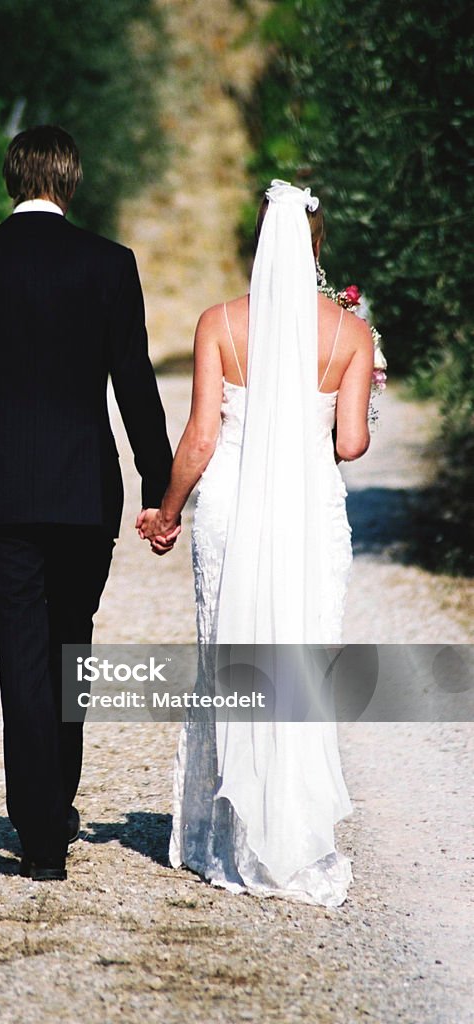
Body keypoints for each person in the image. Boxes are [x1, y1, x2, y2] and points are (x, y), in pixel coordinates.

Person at [0, 125, 174, 882]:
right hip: (80, 493)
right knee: (71, 653)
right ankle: (53, 808)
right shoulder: (108, 264)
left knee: (22, 659)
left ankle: (39, 832)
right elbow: (135, 381)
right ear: (72, 179)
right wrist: (158, 487)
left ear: (13, 177)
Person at [137, 179, 374, 906]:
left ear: (257, 249)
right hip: (309, 513)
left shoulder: (220, 324)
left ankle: (225, 836)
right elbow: (353, 442)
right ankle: (291, 836)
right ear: (314, 248)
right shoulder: (351, 332)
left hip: (231, 510)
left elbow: (203, 437)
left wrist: (166, 510)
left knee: (229, 655)